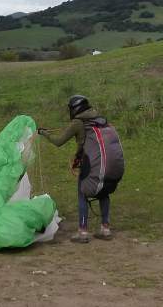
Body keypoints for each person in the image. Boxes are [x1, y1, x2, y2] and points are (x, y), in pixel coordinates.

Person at [37, 94, 114, 244]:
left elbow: (59, 141)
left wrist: (43, 132)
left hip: (89, 164)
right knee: (103, 192)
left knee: (82, 194)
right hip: (106, 162)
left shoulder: (78, 123)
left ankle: (83, 232)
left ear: (75, 109)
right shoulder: (99, 119)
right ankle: (106, 229)